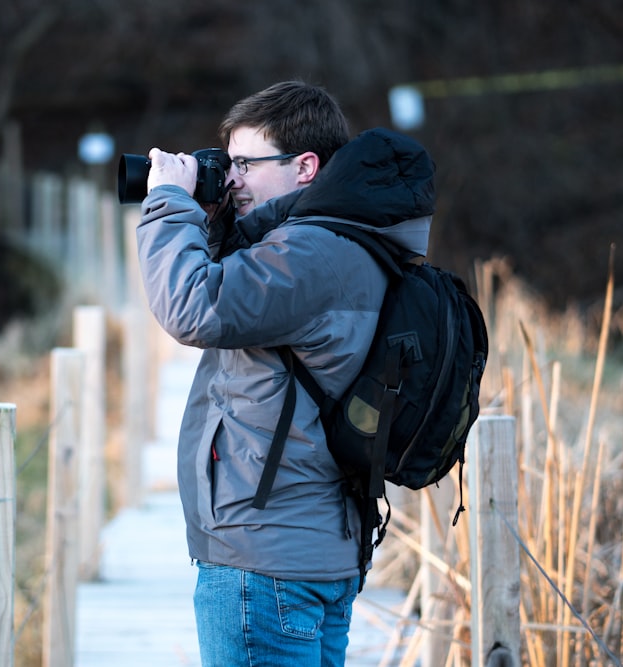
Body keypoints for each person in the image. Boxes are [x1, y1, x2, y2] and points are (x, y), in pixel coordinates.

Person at [134, 80, 435, 666]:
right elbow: (245, 299)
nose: (233, 178)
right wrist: (216, 220)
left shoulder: (311, 253)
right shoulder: (345, 243)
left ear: (305, 167)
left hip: (265, 565)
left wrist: (168, 203)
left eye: (246, 163)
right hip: (307, 547)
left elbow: (194, 308)